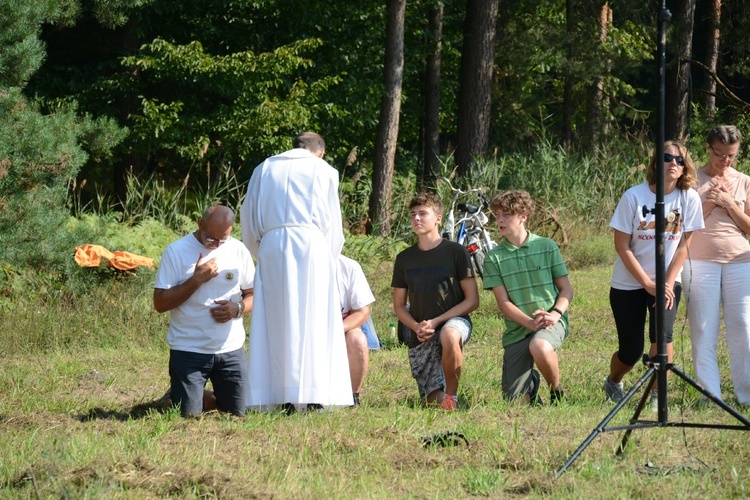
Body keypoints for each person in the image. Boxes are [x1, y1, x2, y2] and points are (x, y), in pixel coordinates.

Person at [240, 131, 352, 410]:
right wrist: (328, 255)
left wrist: (262, 251)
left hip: (273, 245)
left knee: (276, 321)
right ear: (320, 152)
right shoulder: (324, 171)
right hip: (312, 246)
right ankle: (313, 395)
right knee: (313, 318)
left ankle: (280, 395)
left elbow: (249, 217)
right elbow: (332, 222)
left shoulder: (264, 168)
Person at [603, 141, 703, 408]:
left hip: (669, 281)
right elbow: (621, 246)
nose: (674, 163)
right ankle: (614, 380)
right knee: (631, 350)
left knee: (663, 337)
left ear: (685, 168)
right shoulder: (634, 197)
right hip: (629, 282)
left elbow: (684, 245)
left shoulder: (689, 198)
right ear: (656, 163)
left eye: (680, 160)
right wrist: (647, 283)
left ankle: (659, 395)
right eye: (668, 158)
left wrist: (666, 283)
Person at [153, 205, 254, 417]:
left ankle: (197, 395)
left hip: (230, 349)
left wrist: (238, 308)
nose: (217, 245)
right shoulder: (176, 251)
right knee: (189, 416)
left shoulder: (238, 250)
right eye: (212, 239)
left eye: (223, 239)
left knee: (237, 413)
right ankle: (175, 397)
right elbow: (160, 303)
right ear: (200, 225)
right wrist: (196, 280)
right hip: (189, 349)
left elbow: (253, 295)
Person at [483, 190, 573, 405]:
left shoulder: (546, 246)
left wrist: (554, 314)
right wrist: (530, 323)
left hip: (551, 322)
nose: (500, 220)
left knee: (540, 346)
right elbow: (503, 303)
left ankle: (556, 391)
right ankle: (531, 384)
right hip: (518, 330)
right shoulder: (494, 257)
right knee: (516, 404)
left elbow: (566, 289)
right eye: (497, 215)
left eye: (507, 214)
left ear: (523, 216)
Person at [392, 192, 479, 410]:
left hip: (455, 322)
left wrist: (438, 321)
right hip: (421, 333)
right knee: (431, 401)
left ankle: (452, 396)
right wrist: (416, 326)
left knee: (449, 334)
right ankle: (443, 399)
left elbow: (472, 300)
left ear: (438, 218)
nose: (416, 219)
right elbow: (399, 305)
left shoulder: (456, 252)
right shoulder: (404, 258)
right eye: (413, 215)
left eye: (423, 213)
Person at [683, 125, 750, 406]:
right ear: (708, 149)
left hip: (740, 261)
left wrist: (730, 204)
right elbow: (682, 225)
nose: (725, 161)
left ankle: (746, 396)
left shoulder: (745, 180)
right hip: (699, 261)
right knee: (703, 327)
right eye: (720, 154)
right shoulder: (691, 179)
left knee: (744, 328)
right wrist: (708, 202)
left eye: (731, 155)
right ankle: (710, 396)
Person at [337, 254, 376, 407]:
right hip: (309, 334)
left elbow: (362, 311)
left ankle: (353, 396)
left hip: (342, 329)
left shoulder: (349, 267)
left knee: (358, 340)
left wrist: (338, 330)